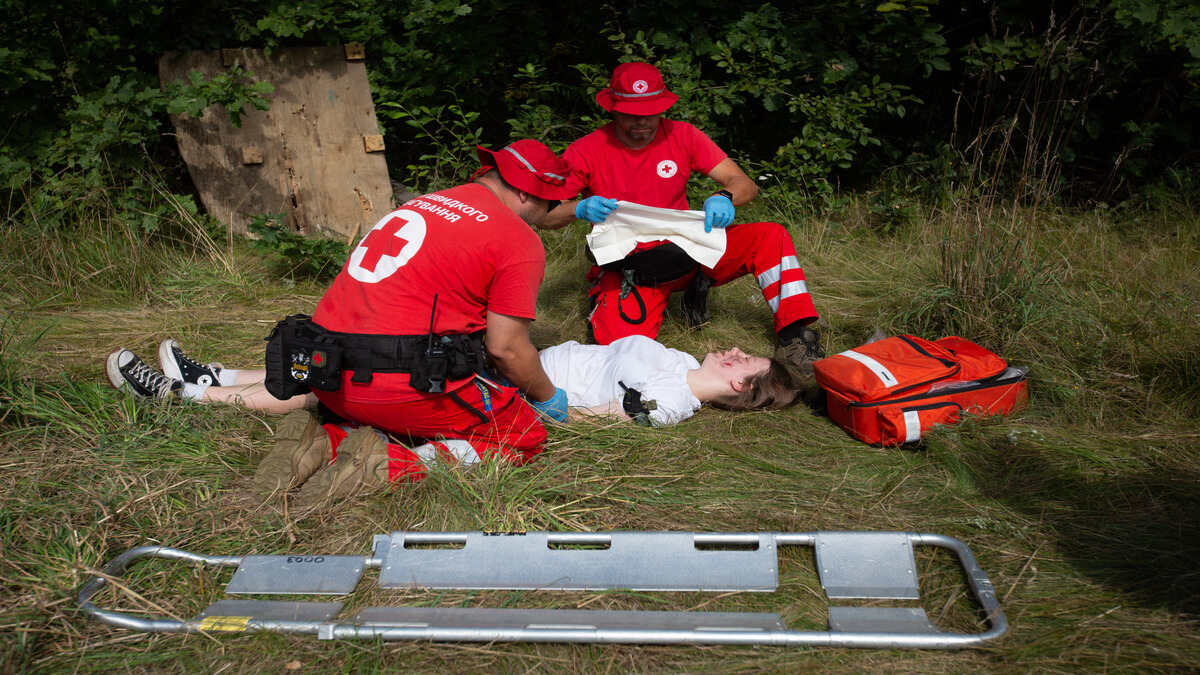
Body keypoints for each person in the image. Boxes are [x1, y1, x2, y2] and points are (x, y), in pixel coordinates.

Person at [109, 139, 576, 505]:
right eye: (549, 204)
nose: (550, 216)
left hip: (328, 372)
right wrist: (547, 396)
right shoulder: (517, 239)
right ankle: (393, 461)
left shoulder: (422, 204)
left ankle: (205, 388)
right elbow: (507, 348)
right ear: (524, 193)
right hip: (397, 388)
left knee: (376, 371)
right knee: (520, 434)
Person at [106, 334, 801, 500]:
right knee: (352, 356)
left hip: (496, 389)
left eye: (746, 362)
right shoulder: (677, 356)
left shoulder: (671, 403)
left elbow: (586, 421)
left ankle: (190, 397)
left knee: (352, 382)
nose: (735, 350)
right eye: (741, 351)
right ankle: (218, 375)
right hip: (505, 360)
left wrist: (525, 399)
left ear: (744, 389)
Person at [540, 61, 825, 385]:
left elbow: (743, 182)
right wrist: (579, 209)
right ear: (613, 110)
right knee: (616, 355)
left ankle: (795, 336)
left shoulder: (682, 135)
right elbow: (547, 215)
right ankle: (641, 300)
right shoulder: (587, 150)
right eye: (631, 114)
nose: (642, 123)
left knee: (770, 236)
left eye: (650, 113)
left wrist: (724, 196)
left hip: (692, 247)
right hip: (634, 266)